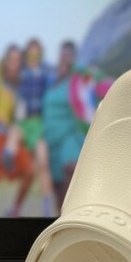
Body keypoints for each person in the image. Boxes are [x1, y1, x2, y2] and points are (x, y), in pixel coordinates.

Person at [0, 44, 33, 218]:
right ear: (5, 60)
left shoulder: (21, 86)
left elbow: (20, 116)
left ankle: (15, 210)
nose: (14, 63)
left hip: (10, 136)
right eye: (11, 59)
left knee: (30, 171)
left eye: (18, 60)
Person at [41, 40, 85, 211]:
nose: (65, 58)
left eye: (69, 55)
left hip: (69, 137)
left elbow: (93, 78)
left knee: (70, 173)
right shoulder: (51, 80)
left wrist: (77, 68)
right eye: (63, 54)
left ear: (74, 58)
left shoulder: (76, 80)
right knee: (59, 195)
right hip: (51, 143)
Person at [18, 37, 55, 217]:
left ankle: (47, 209)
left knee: (43, 163)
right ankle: (16, 207)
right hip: (24, 124)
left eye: (37, 54)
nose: (33, 57)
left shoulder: (46, 72)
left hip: (40, 123)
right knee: (29, 171)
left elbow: (59, 77)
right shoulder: (22, 73)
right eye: (30, 54)